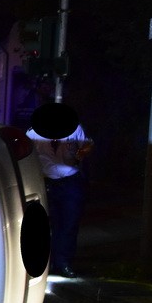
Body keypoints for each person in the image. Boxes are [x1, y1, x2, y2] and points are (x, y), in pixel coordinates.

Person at [26, 102, 93, 278]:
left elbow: (86, 145)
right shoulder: (32, 133)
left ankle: (63, 263)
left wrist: (82, 153)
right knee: (43, 225)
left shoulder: (75, 128)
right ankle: (42, 265)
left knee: (69, 224)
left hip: (70, 179)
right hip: (45, 181)